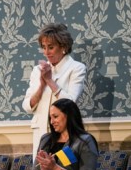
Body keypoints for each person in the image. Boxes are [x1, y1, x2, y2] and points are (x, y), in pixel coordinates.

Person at [22, 23, 87, 158]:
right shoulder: (37, 71)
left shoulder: (76, 68)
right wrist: (41, 85)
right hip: (41, 134)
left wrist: (50, 81)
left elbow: (70, 103)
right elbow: (27, 106)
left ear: (63, 47)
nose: (46, 52)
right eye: (44, 48)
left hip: (65, 134)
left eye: (51, 47)